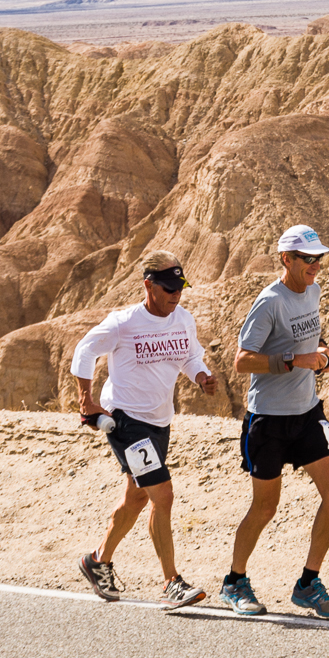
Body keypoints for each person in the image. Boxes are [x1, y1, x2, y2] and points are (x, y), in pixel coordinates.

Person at [214, 224, 329, 619]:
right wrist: (294, 360)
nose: (316, 266)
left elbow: (310, 340)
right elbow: (242, 360)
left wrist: (322, 352)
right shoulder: (269, 302)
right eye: (308, 259)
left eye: (319, 258)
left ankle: (308, 584)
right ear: (286, 259)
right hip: (268, 420)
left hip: (306, 412)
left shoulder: (313, 290)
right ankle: (234, 582)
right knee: (265, 507)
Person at [71, 255, 218, 612]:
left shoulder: (183, 319)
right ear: (148, 285)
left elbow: (189, 356)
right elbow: (85, 349)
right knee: (162, 495)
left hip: (159, 421)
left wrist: (200, 375)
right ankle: (172, 583)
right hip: (125, 420)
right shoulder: (124, 323)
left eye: (180, 289)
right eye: (168, 289)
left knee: (137, 498)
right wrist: (86, 400)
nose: (176, 296)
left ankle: (97, 561)